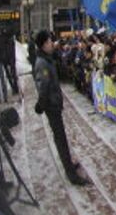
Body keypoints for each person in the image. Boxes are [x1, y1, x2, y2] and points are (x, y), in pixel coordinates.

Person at [32, 30, 89, 186]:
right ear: (43, 44)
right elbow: (43, 88)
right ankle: (71, 174)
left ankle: (69, 164)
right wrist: (41, 105)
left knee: (62, 137)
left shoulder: (46, 58)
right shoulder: (42, 63)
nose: (52, 44)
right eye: (50, 42)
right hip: (51, 106)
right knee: (60, 139)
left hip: (54, 103)